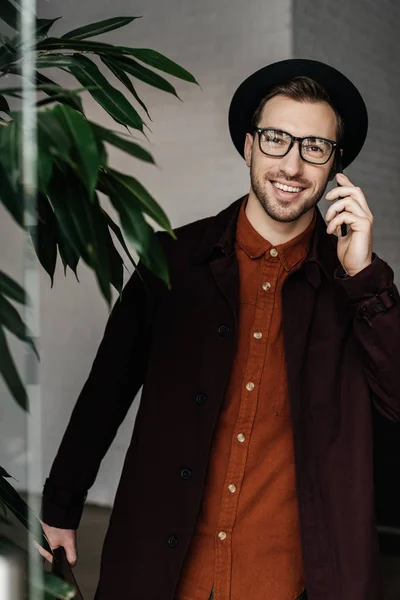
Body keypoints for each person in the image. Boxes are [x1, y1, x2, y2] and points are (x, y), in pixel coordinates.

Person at [38, 59, 400, 600]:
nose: (293, 165)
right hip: (164, 568)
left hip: (288, 579)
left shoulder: (356, 283)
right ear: (249, 146)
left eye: (315, 148)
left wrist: (363, 278)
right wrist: (62, 504)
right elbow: (107, 389)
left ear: (335, 166)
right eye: (277, 139)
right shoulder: (172, 260)